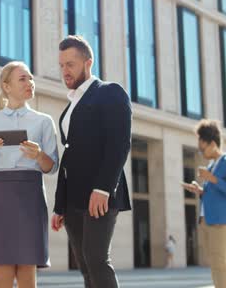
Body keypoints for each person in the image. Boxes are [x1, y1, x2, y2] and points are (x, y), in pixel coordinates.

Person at [51, 35, 132, 288]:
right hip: (74, 197)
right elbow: (68, 157)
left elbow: (119, 145)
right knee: (85, 265)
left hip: (100, 194)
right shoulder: (71, 105)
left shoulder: (110, 92)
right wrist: (59, 205)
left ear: (88, 63)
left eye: (71, 64)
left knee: (97, 259)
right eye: (62, 65)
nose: (65, 70)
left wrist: (103, 188)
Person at [0, 61, 59, 288]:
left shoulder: (44, 121)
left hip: (30, 194)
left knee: (28, 269)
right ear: (6, 86)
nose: (30, 82)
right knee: (2, 270)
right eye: (23, 78)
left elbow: (52, 167)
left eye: (31, 78)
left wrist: (39, 155)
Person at [182, 119, 226, 288]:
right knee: (215, 265)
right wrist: (199, 190)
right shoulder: (212, 165)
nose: (201, 152)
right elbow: (214, 192)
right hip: (208, 219)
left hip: (221, 221)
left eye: (203, 148)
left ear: (213, 144)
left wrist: (212, 179)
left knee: (220, 265)